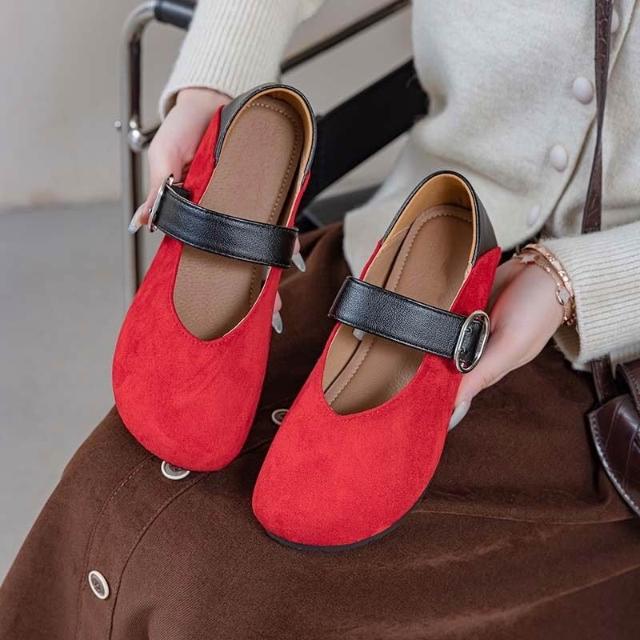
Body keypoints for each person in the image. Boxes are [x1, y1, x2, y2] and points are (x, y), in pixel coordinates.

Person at [1, 2, 639, 638]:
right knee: (112, 484)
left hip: (608, 343)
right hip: (403, 252)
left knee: (224, 580)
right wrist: (209, 87)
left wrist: (574, 283)